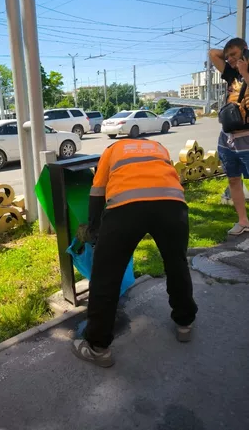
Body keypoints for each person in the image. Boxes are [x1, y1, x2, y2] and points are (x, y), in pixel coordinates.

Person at [72, 138, 198, 367]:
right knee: (176, 264)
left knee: (105, 276)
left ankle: (97, 347)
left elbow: (97, 191)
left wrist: (95, 229)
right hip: (172, 206)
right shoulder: (159, 147)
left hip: (125, 209)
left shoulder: (111, 150)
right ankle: (185, 323)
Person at [210, 38, 249, 235]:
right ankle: (243, 221)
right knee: (233, 179)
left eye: (234, 54)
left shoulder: (243, 73)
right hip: (227, 136)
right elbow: (212, 54)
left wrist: (245, 70)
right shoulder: (231, 74)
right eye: (228, 57)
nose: (230, 59)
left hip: (247, 136)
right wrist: (232, 58)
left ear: (245, 50)